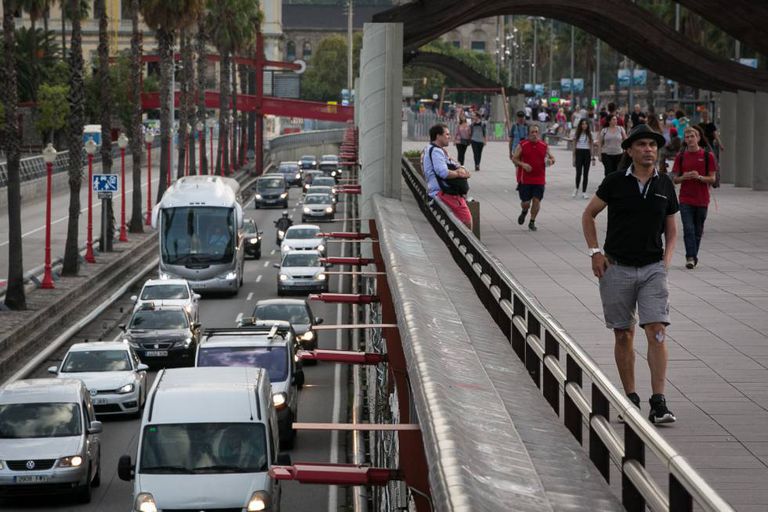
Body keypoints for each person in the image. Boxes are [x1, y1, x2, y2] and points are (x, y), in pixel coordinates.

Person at [581, 124, 679, 425]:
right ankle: (631, 398)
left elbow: (672, 229)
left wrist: (665, 262)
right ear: (630, 150)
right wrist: (595, 252)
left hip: (652, 269)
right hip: (617, 267)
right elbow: (589, 215)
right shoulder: (615, 182)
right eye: (642, 145)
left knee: (657, 331)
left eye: (653, 145)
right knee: (623, 334)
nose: (648, 149)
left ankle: (658, 401)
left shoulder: (664, 184)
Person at [672, 126, 718, 269]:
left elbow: (712, 178)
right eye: (687, 137)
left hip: (702, 199)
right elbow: (675, 179)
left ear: (698, 138)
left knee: (698, 230)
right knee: (688, 229)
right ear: (684, 140)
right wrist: (684, 177)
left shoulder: (707, 156)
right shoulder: (680, 157)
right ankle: (690, 257)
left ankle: (693, 255)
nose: (690, 139)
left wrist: (699, 177)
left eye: (693, 136)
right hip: (685, 199)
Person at [423, 123, 472, 228]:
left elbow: (456, 164)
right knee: (467, 221)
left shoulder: (433, 149)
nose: (449, 137)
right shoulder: (436, 151)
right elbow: (443, 173)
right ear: (438, 136)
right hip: (444, 193)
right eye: (447, 134)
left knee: (460, 222)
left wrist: (460, 167)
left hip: (439, 192)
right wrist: (460, 173)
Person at [511, 124, 555, 232]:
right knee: (525, 203)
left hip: (539, 179)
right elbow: (514, 159)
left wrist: (551, 161)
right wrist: (523, 165)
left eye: (536, 132)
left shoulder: (544, 145)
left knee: (536, 201)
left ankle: (532, 221)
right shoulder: (522, 145)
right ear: (528, 133)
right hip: (525, 179)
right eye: (532, 132)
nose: (534, 134)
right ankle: (524, 211)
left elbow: (552, 158)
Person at [572, 118, 595, 199]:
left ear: (587, 125)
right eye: (582, 124)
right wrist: (573, 158)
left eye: (585, 124)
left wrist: (593, 158)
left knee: (586, 174)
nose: (584, 125)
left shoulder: (590, 134)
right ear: (580, 125)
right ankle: (576, 188)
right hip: (579, 153)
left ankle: (584, 192)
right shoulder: (577, 134)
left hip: (587, 154)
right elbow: (574, 146)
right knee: (578, 173)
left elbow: (592, 146)